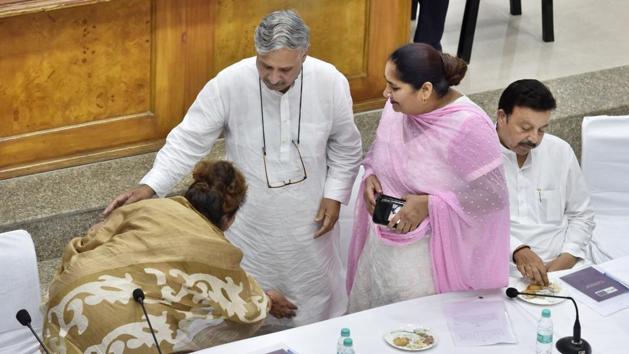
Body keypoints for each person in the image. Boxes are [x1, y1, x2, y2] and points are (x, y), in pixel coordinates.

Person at [103, 10, 362, 326]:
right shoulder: (229, 83)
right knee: (250, 311)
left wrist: (335, 194)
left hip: (309, 223)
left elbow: (346, 148)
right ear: (256, 52)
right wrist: (151, 185)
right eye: (265, 66)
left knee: (316, 309)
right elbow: (188, 140)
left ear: (304, 55)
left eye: (286, 69)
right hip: (251, 225)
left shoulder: (331, 81)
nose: (274, 77)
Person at [44, 160, 296, 353]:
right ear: (229, 219)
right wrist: (267, 301)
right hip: (115, 330)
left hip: (64, 297)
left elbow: (91, 239)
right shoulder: (216, 249)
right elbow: (241, 307)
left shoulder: (149, 206)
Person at [346, 43, 510, 312]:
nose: (386, 93)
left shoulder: (467, 127)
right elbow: (383, 151)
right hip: (380, 250)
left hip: (426, 268)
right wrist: (372, 174)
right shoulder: (398, 107)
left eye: (394, 87)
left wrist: (430, 205)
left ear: (425, 90)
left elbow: (493, 197)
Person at [496, 79, 595, 286]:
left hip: (565, 267)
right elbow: (472, 224)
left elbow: (581, 214)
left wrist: (567, 257)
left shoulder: (559, 151)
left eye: (541, 130)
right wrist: (517, 249)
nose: (534, 139)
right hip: (503, 273)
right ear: (502, 116)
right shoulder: (477, 157)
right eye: (525, 128)